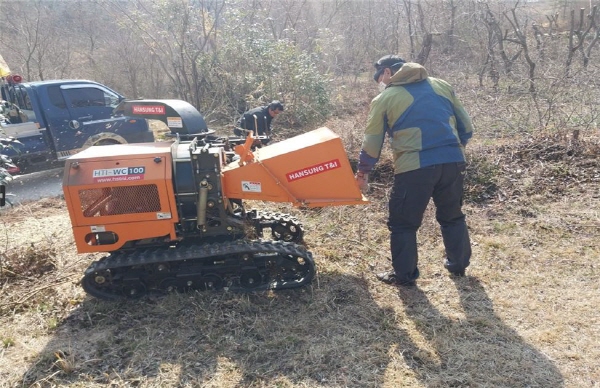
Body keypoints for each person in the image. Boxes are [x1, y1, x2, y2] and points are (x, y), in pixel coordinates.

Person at [356, 55, 474, 287]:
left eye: (379, 77)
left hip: (414, 168)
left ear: (388, 72)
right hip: (453, 162)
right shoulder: (441, 85)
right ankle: (458, 266)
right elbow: (467, 129)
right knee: (452, 216)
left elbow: (372, 143)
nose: (380, 82)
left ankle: (404, 275)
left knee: (403, 223)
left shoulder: (386, 97)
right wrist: (452, 151)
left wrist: (362, 173)